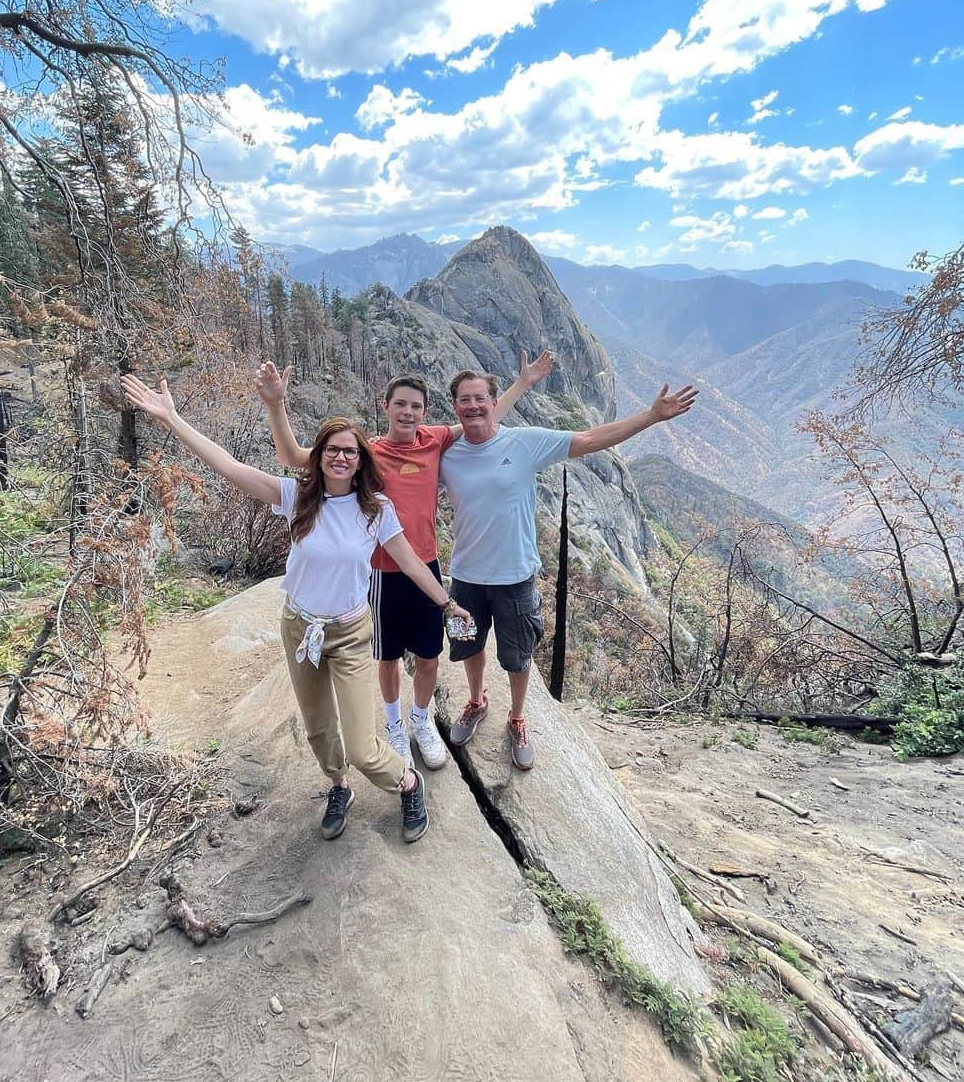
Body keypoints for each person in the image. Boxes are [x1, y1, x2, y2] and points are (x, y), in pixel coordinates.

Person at [119, 374, 472, 844]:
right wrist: (173, 418)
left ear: (361, 460)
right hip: (300, 627)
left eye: (351, 451)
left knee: (366, 748)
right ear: (320, 456)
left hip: (348, 633)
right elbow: (228, 466)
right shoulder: (296, 498)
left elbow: (410, 562)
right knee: (321, 730)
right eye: (333, 450)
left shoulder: (376, 510)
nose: (342, 457)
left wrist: (447, 603)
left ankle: (407, 783)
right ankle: (338, 786)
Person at [255, 352, 554, 770]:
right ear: (386, 408)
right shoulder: (368, 453)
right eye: (400, 405)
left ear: (425, 412)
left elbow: (481, 418)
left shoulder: (434, 440)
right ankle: (394, 723)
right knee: (389, 655)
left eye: (416, 406)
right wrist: (275, 404)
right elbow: (294, 457)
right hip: (382, 571)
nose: (408, 412)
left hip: (426, 566)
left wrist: (521, 384)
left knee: (430, 655)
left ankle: (420, 718)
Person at [442, 371, 698, 771]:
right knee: (468, 647)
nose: (473, 406)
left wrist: (649, 416)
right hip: (467, 576)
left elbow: (590, 439)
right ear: (454, 406)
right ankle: (477, 701)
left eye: (480, 398)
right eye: (464, 400)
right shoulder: (447, 451)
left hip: (515, 576)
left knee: (518, 654)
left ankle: (517, 718)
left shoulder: (522, 442)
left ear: (494, 401)